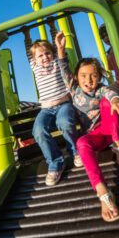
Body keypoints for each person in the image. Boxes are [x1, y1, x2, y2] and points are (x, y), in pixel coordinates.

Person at [55, 31, 119, 223]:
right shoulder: (74, 89)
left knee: (108, 102)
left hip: (109, 133)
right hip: (94, 137)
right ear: (77, 77)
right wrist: (60, 49)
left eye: (93, 76)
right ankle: (102, 191)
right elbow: (63, 70)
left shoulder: (101, 89)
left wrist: (115, 99)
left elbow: (111, 92)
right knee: (81, 142)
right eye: (84, 76)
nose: (89, 80)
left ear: (99, 77)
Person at [23, 21, 81, 187]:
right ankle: (56, 162)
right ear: (34, 59)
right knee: (38, 130)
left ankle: (75, 152)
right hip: (46, 109)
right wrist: (27, 35)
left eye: (47, 53)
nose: (44, 57)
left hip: (63, 104)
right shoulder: (34, 67)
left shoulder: (57, 61)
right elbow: (29, 49)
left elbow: (57, 44)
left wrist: (51, 26)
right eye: (40, 56)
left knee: (64, 122)